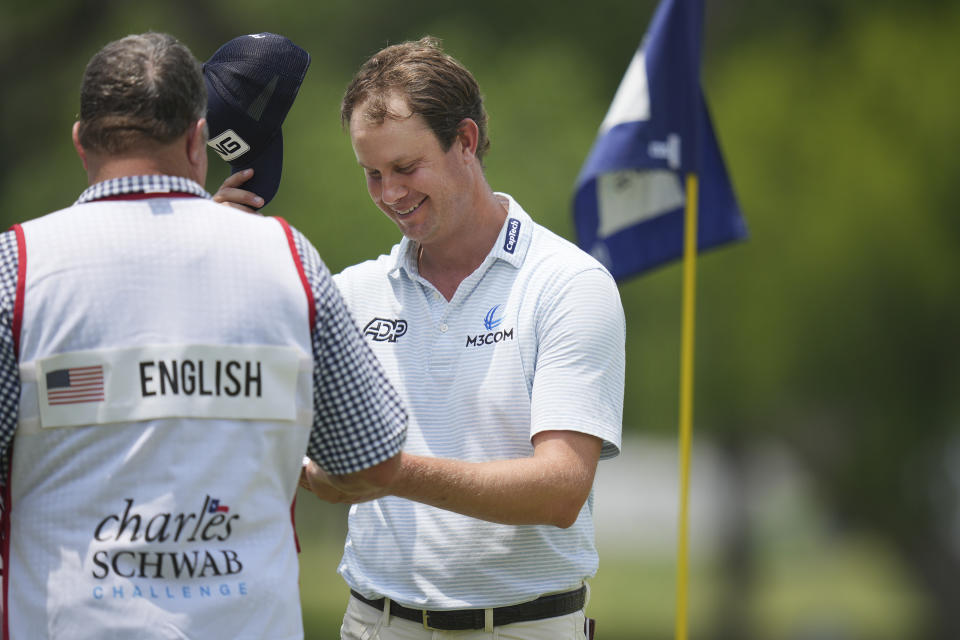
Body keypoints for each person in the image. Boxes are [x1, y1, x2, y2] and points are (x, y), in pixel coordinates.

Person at [0, 32, 407, 639]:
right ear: (197, 137)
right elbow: (373, 462)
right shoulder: (289, 260)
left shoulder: (18, 268)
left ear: (82, 141)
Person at [218, 36, 624, 640]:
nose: (390, 194)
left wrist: (384, 472)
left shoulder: (567, 283)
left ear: (465, 140)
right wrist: (210, 251)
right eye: (373, 174)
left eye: (406, 168)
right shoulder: (353, 293)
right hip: (374, 623)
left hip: (524, 628)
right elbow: (237, 400)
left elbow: (559, 489)